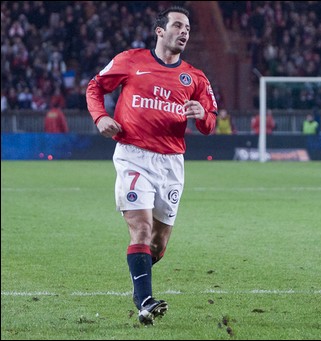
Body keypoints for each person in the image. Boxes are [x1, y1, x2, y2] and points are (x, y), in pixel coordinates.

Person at [85, 6, 218, 326]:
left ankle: (139, 271)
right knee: (141, 228)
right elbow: (95, 86)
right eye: (177, 25)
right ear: (160, 31)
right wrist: (101, 117)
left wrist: (202, 115)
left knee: (157, 245)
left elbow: (211, 123)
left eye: (187, 27)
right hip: (133, 156)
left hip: (171, 164)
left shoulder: (196, 77)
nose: (184, 31)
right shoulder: (131, 61)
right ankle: (144, 300)